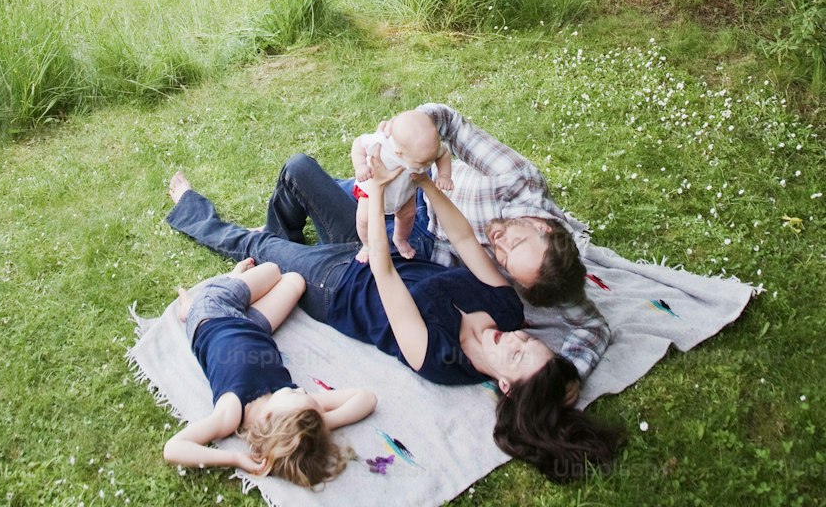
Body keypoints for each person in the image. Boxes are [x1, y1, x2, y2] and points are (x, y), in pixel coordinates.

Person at [167, 159, 624, 481]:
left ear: (505, 385)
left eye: (519, 354)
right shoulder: (509, 310)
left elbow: (384, 276)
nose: (518, 338)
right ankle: (286, 244)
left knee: (257, 249)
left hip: (339, 286)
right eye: (530, 341)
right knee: (299, 168)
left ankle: (192, 208)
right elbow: (464, 238)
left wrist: (378, 189)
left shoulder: (440, 359)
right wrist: (423, 183)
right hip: (373, 243)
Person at [269, 105, 611, 380]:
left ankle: (295, 258)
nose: (498, 244)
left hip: (411, 246)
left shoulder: (539, 284)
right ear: (542, 226)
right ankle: (296, 247)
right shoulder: (519, 181)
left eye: (503, 261)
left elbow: (592, 328)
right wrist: (411, 136)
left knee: (303, 237)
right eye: (515, 241)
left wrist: (556, 382)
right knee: (299, 172)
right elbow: (448, 121)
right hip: (413, 195)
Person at [164, 256, 376, 486]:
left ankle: (192, 307)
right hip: (255, 329)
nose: (303, 391)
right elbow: (366, 398)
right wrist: (322, 424)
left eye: (299, 396)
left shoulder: (232, 411)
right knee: (294, 280)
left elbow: (174, 448)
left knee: (272, 270)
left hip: (212, 314)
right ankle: (233, 282)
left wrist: (234, 458)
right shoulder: (299, 412)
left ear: (268, 417)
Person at [351, 109, 453, 262]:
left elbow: (443, 154)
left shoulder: (429, 147)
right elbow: (358, 143)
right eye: (422, 162)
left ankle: (400, 239)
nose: (427, 164)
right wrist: (360, 166)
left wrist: (444, 175)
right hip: (372, 189)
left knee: (407, 216)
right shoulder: (380, 142)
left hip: (406, 190)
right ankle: (367, 245)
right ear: (399, 153)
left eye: (430, 159)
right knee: (364, 219)